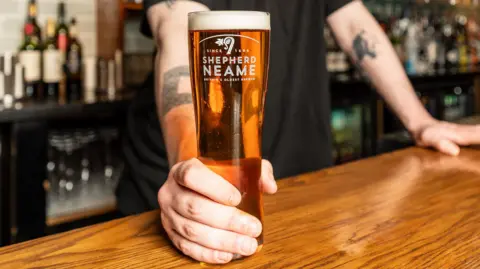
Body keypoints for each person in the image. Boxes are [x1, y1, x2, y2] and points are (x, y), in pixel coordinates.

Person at [116, 0, 480, 264]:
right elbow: (178, 29)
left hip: (297, 185)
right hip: (178, 192)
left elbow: (355, 24)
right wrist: (191, 171)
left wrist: (421, 122)